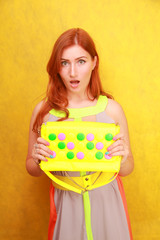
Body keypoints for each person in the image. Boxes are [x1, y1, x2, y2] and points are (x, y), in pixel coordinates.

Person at [26, 28, 134, 240]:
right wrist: (38, 159)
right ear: (57, 67)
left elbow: (128, 168)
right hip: (66, 205)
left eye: (81, 61)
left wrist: (122, 157)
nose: (72, 72)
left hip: (108, 205)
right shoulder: (43, 112)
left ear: (94, 62)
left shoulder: (112, 109)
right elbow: (31, 167)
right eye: (64, 62)